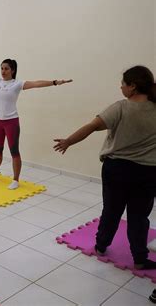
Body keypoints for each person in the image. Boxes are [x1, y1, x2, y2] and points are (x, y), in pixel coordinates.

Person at [54, 65, 156, 269]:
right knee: (139, 217)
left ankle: (101, 246)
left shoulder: (120, 107)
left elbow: (91, 127)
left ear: (133, 86)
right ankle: (139, 259)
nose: (121, 88)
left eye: (123, 84)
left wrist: (68, 141)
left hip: (117, 170)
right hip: (148, 173)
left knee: (111, 211)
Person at [0, 59, 72, 189]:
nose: (3, 71)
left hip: (11, 122)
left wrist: (55, 82)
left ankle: (15, 180)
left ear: (12, 70)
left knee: (14, 151)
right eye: (1, 68)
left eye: (6, 69)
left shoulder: (18, 84)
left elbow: (37, 83)